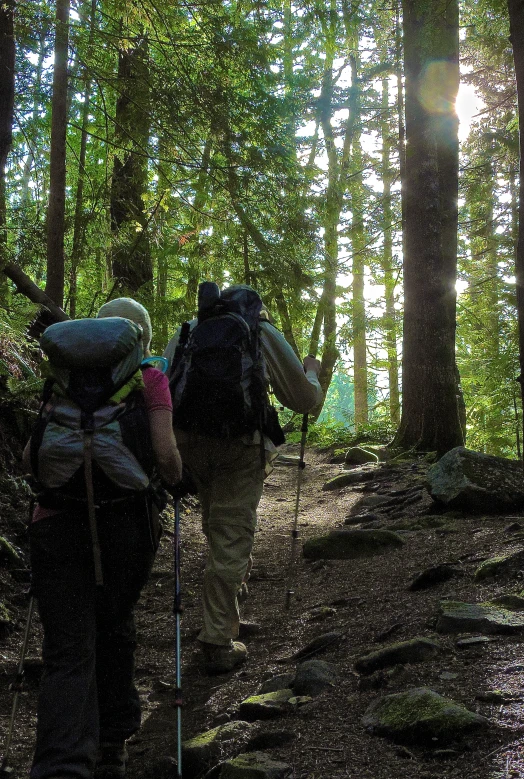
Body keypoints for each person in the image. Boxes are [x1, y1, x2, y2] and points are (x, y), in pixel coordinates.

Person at [25, 298, 182, 779]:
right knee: (114, 624)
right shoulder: (150, 376)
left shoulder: (64, 376)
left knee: (68, 646)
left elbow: (34, 451)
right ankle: (112, 742)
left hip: (55, 521)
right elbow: (167, 458)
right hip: (125, 524)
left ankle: (61, 765)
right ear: (140, 337)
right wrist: (174, 480)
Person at [164, 284, 322, 674]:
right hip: (239, 445)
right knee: (232, 536)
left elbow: (163, 389)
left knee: (218, 528)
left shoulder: (188, 329)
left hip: (190, 444)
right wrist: (313, 373)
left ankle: (226, 606)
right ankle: (217, 640)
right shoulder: (259, 330)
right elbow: (302, 399)